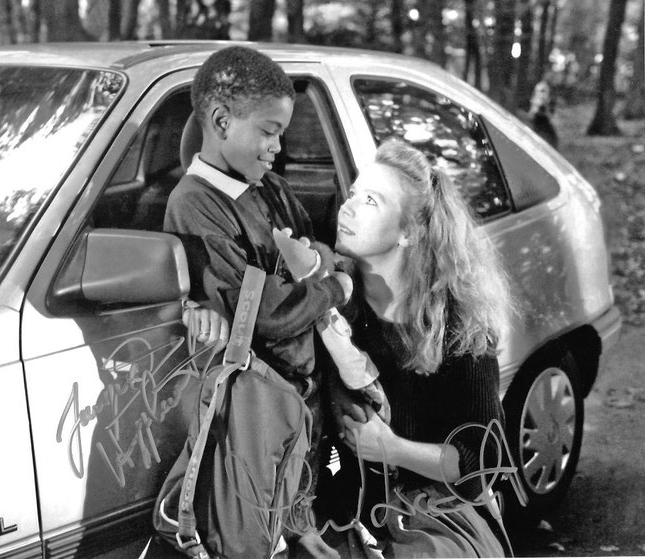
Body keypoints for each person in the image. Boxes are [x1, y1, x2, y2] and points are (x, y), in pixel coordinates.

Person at [163, 45, 349, 558]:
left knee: (299, 514)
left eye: (281, 134)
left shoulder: (274, 188)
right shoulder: (196, 204)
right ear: (221, 121)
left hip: (304, 400)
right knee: (253, 530)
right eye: (268, 131)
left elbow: (319, 257)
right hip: (256, 407)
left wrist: (314, 272)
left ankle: (301, 527)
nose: (276, 147)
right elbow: (269, 314)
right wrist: (333, 288)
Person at [323, 138, 515, 558]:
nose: (348, 207)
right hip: (347, 511)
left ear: (408, 232)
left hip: (438, 514)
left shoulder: (458, 325)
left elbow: (481, 462)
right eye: (353, 194)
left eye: (371, 201)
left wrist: (388, 447)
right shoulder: (333, 306)